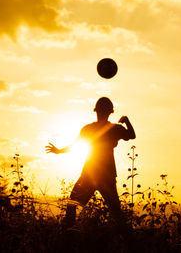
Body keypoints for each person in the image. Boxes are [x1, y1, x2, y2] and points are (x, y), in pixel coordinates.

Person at [46, 97, 136, 227]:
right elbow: (131, 135)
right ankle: (128, 240)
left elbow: (75, 145)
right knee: (116, 213)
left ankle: (67, 233)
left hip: (91, 173)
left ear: (96, 111)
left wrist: (59, 151)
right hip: (105, 174)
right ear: (110, 112)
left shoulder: (89, 129)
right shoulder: (114, 129)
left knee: (72, 204)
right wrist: (126, 121)